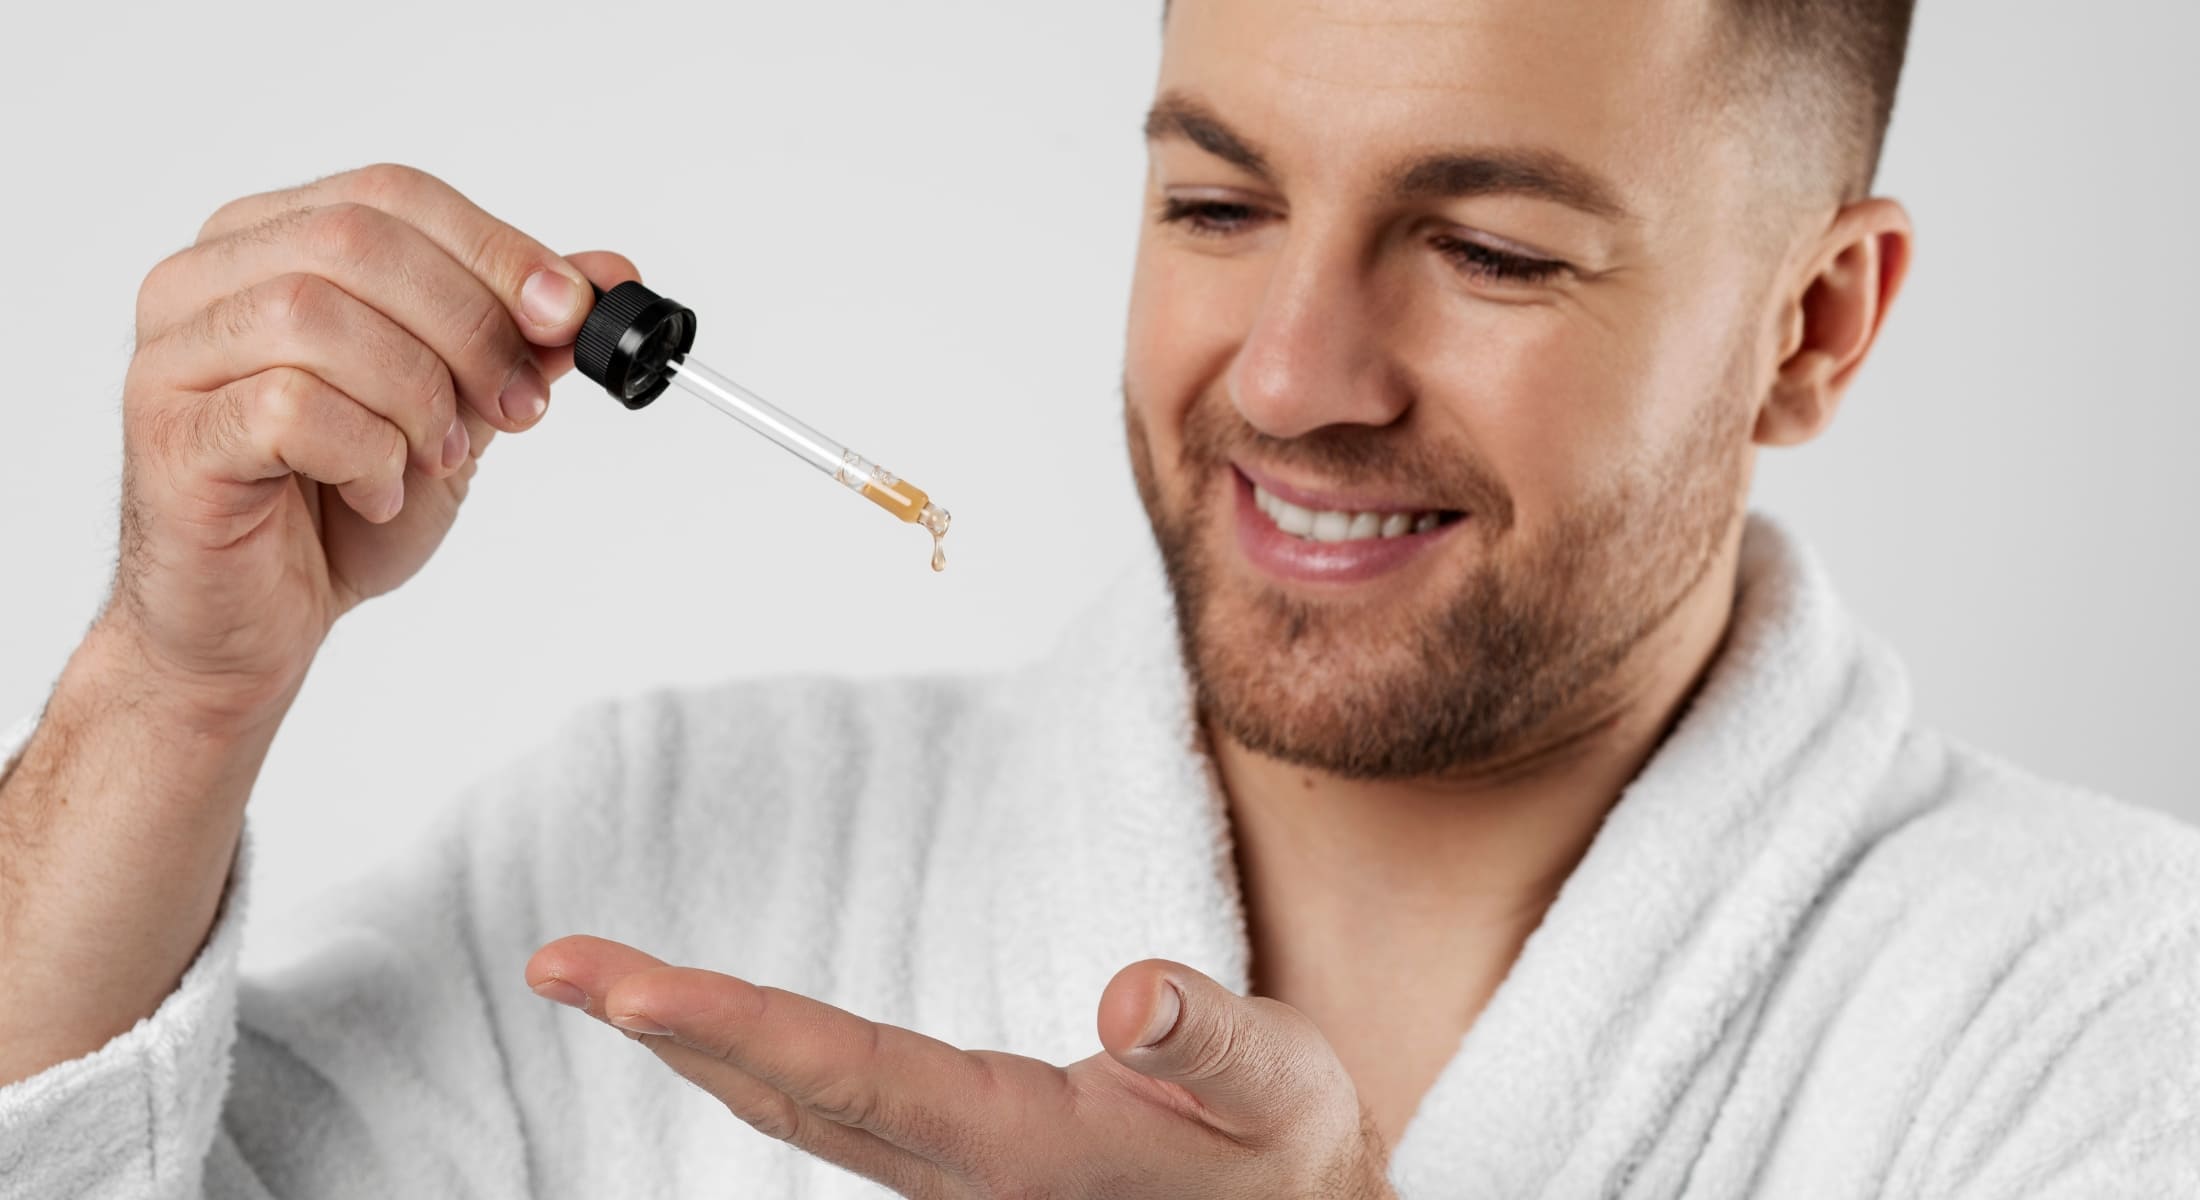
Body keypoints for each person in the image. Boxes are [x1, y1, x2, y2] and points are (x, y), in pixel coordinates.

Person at [3, 0, 2195, 1195]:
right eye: (1218, 203)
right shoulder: (668, 855)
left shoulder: (2101, 1026)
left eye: (1493, 251)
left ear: (1810, 326)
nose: (1292, 381)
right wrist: (168, 694)